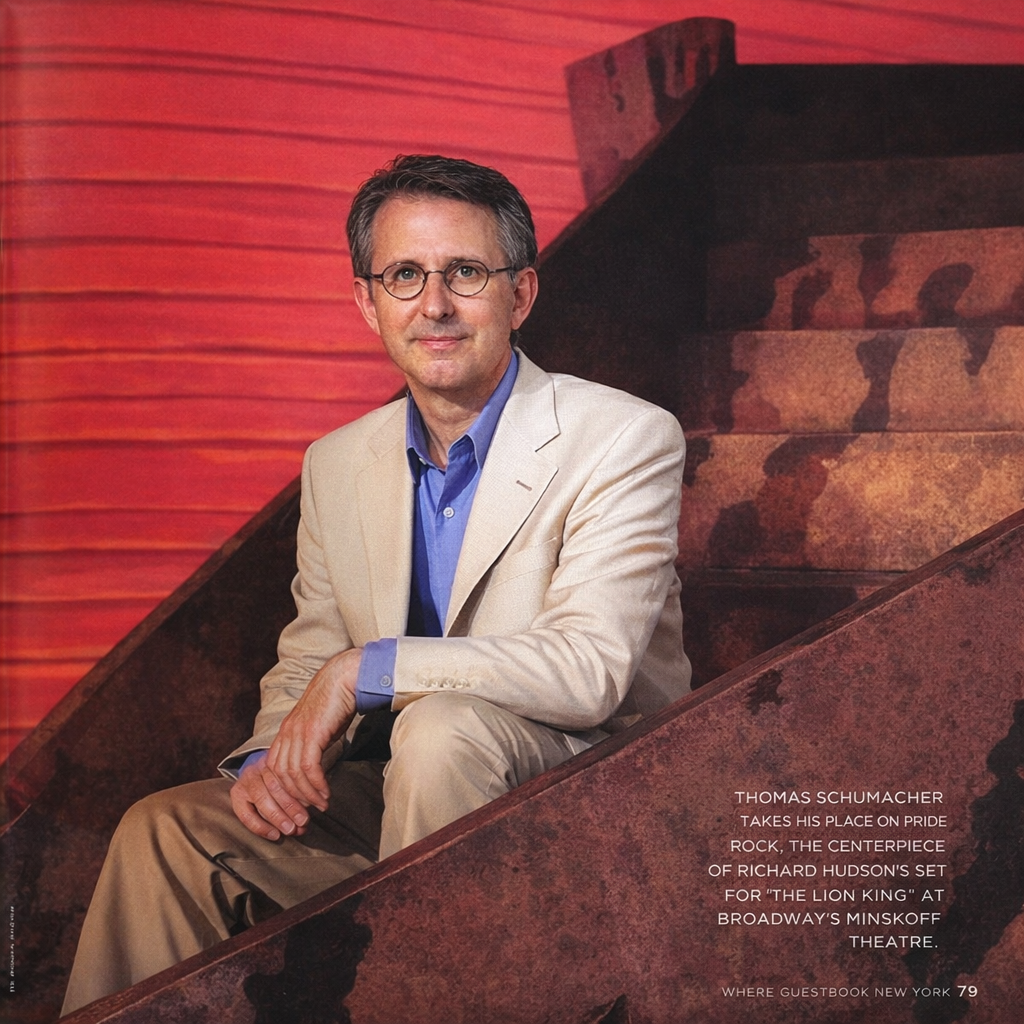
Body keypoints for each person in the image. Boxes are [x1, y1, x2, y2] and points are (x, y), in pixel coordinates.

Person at [61, 154, 691, 1014]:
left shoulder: (623, 438)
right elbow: (308, 657)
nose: (434, 305)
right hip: (404, 800)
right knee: (165, 832)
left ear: (522, 294)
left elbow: (588, 671)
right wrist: (269, 759)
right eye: (404, 275)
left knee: (440, 733)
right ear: (368, 302)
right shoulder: (337, 463)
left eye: (465, 272)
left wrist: (367, 669)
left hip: (589, 794)